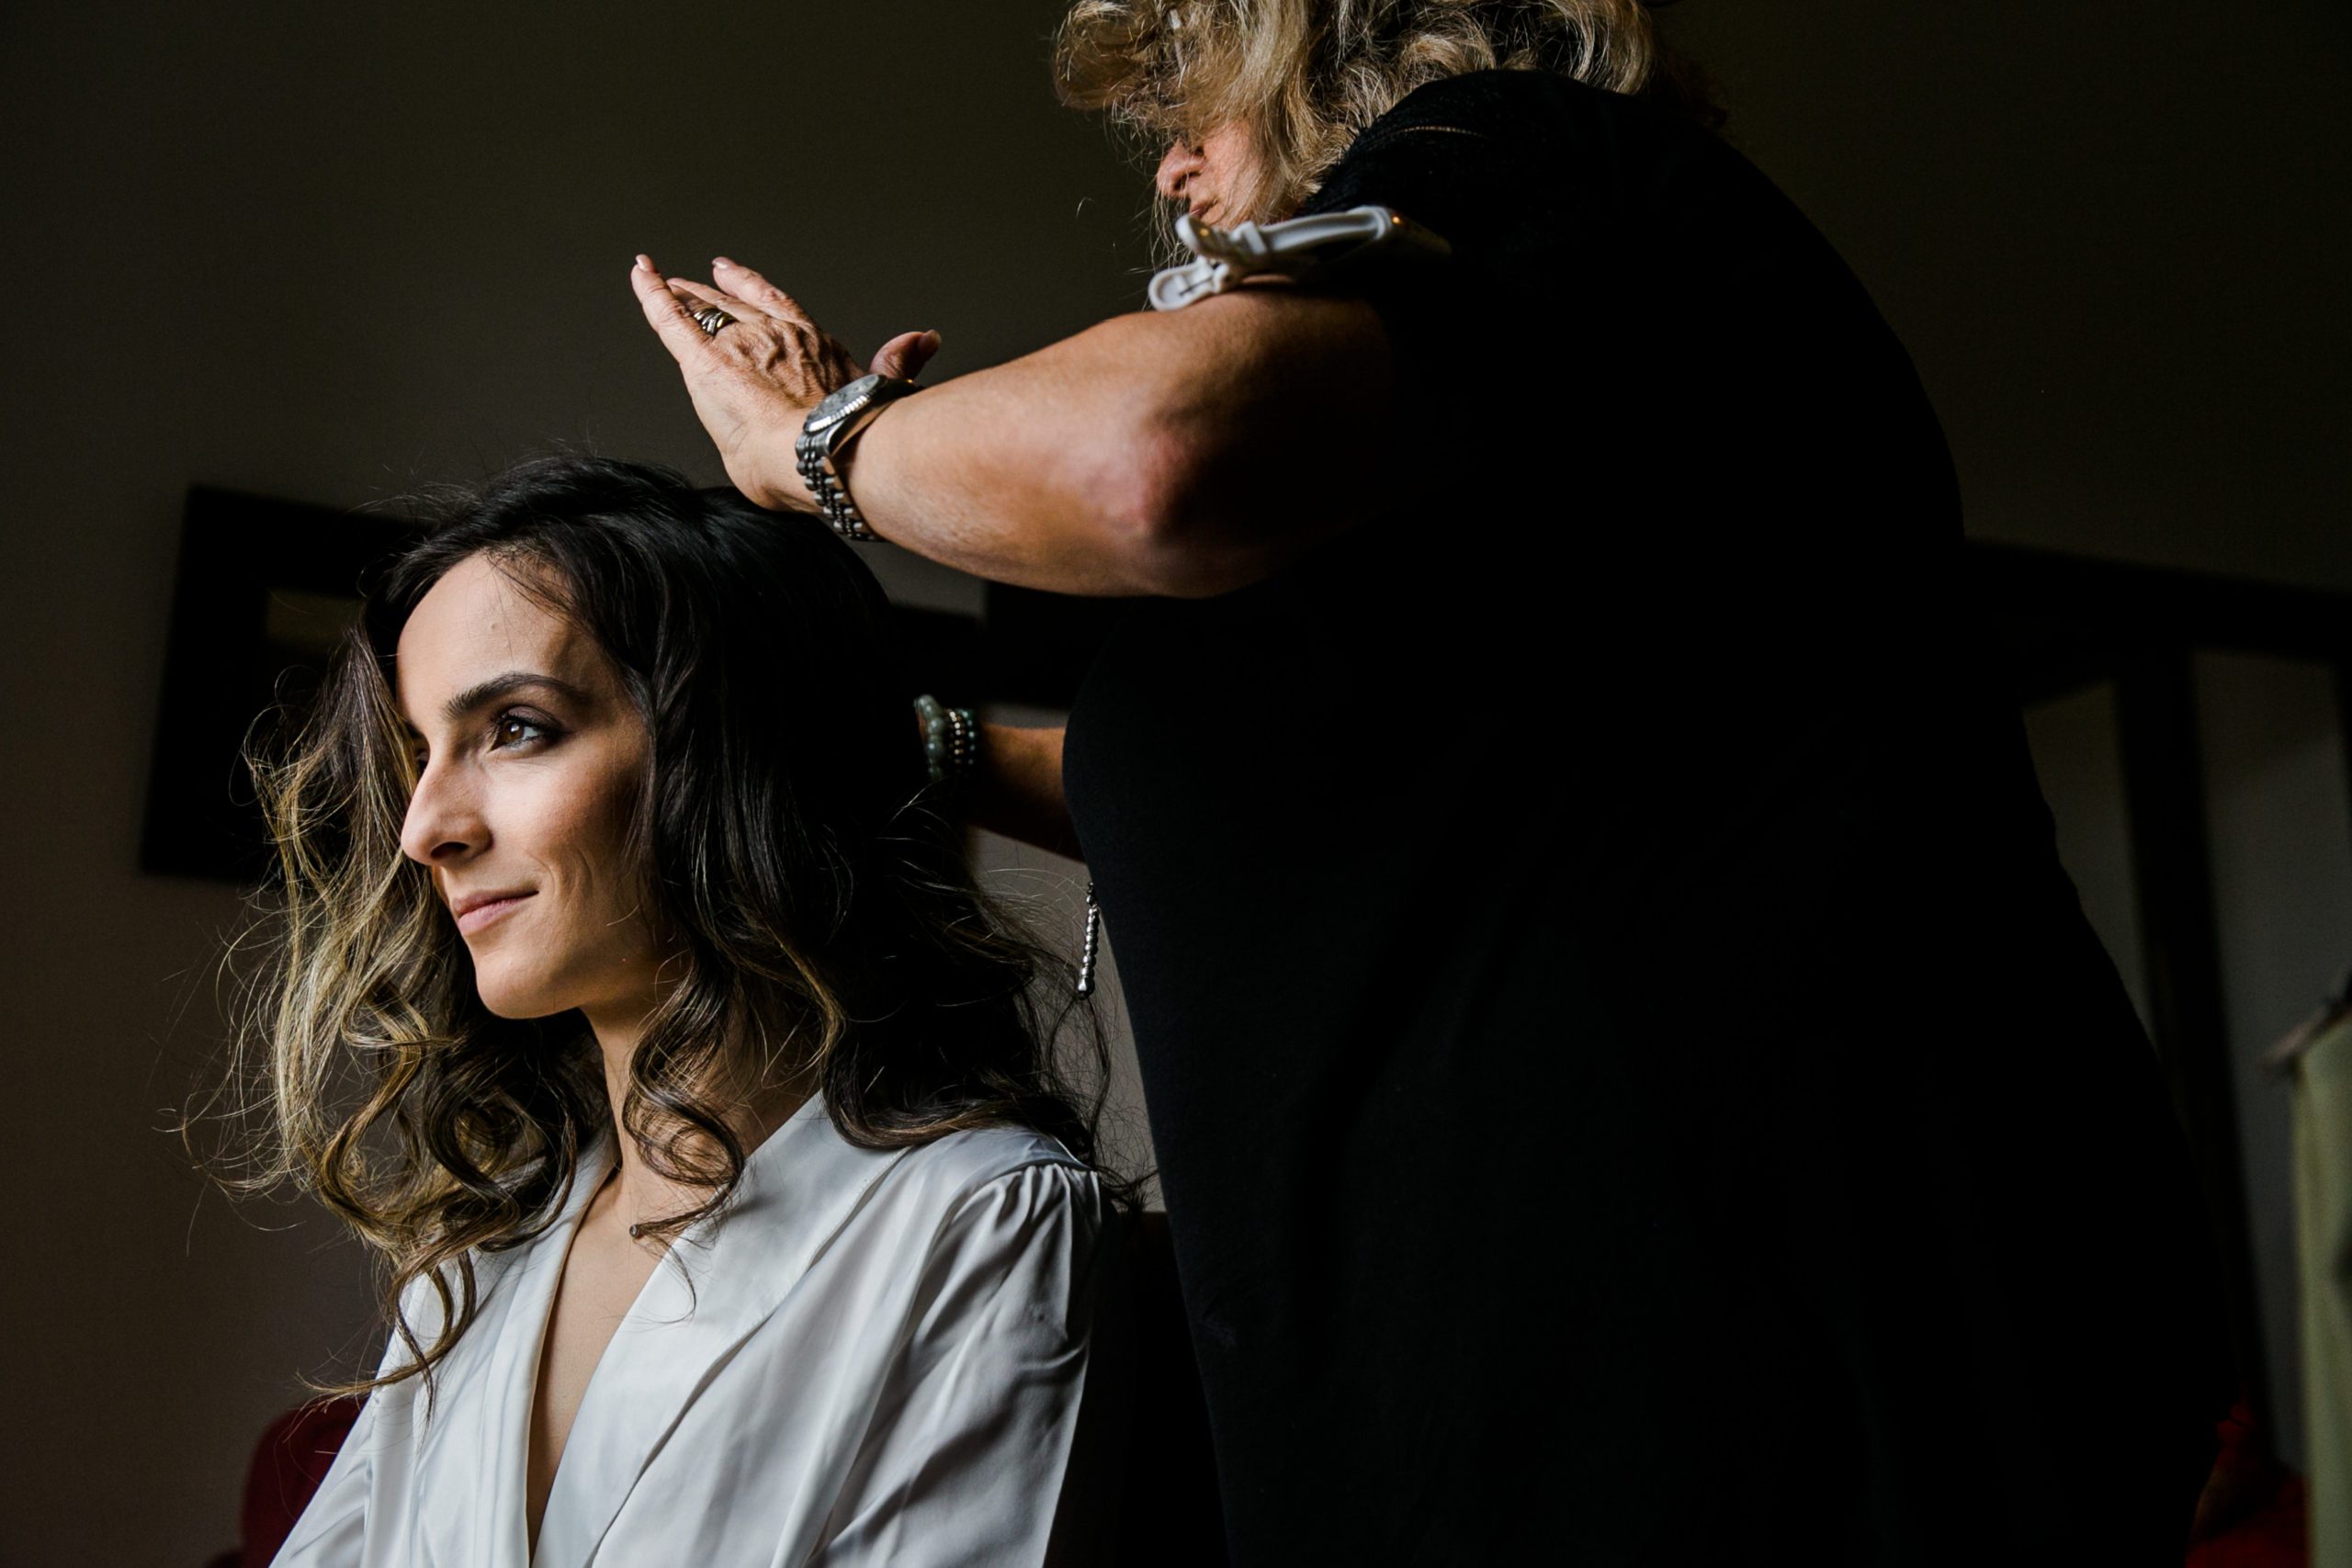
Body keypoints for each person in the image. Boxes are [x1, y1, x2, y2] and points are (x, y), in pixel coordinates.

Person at [628, 2, 2231, 1559]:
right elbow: (1213, 780)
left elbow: (1147, 460)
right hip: (1478, 1417)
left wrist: (817, 446)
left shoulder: (1534, 158)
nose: (1171, 172)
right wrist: (915, 743)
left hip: (1789, 1373)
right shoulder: (1410, 513)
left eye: (1190, 102)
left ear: (1326, 40)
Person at [228, 457, 1125, 1566]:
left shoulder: (980, 1221)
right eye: (420, 756)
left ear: (733, 751)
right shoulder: (478, 1258)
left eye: (515, 728)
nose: (425, 828)